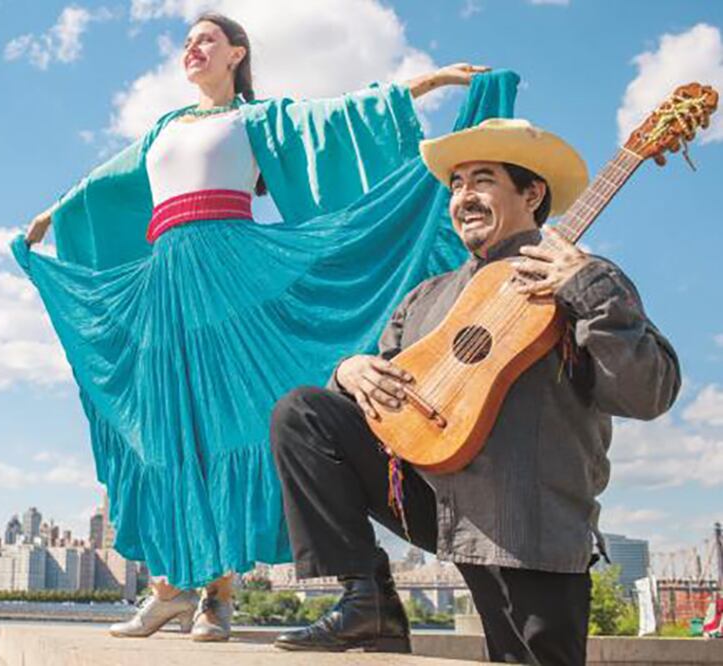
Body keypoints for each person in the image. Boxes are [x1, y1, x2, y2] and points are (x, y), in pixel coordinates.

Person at [14, 12, 497, 642]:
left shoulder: (256, 118)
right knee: (167, 428)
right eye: (187, 41)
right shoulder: (163, 127)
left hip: (232, 273)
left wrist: (431, 83)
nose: (193, 48)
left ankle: (218, 596)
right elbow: (103, 181)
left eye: (206, 39)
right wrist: (52, 215)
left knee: (225, 423)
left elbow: (342, 114)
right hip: (166, 285)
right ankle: (169, 590)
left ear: (236, 53)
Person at [269, 118, 681, 663]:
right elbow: (373, 408)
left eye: (481, 179)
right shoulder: (427, 297)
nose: (463, 195)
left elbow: (650, 393)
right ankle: (366, 597)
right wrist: (349, 373)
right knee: (303, 412)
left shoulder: (586, 277)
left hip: (528, 523)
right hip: (432, 498)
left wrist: (585, 287)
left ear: (532, 193)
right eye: (456, 184)